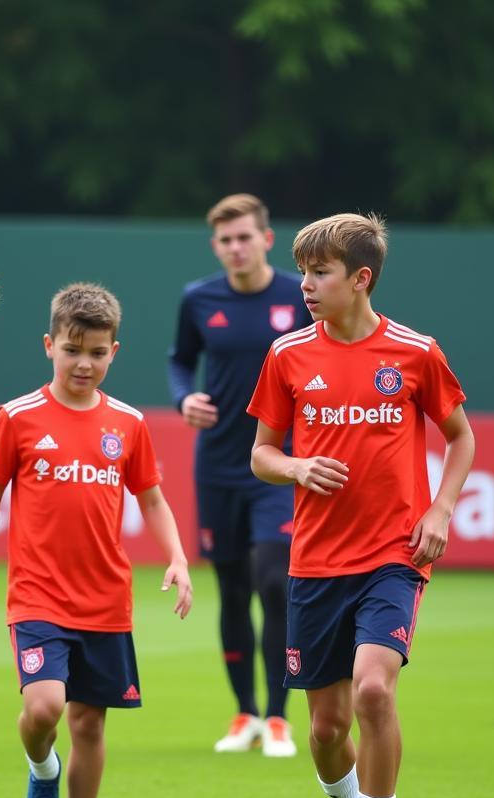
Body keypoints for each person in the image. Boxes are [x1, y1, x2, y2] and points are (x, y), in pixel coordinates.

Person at [247, 212, 475, 798]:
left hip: (393, 556)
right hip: (314, 563)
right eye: (304, 271)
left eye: (320, 272)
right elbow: (260, 453)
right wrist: (295, 466)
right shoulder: (287, 354)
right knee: (324, 729)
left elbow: (461, 437)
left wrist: (438, 512)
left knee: (376, 693)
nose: (306, 284)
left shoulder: (415, 352)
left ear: (361, 279)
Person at [0, 283, 193, 798]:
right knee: (44, 710)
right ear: (49, 346)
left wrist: (177, 558)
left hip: (106, 600)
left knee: (89, 721)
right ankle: (42, 768)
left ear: (115, 350)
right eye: (71, 350)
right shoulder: (17, 418)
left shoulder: (130, 424)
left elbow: (153, 500)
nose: (83, 363)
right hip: (37, 594)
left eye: (96, 351)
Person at [169, 193, 312, 757]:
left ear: (267, 239)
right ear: (216, 247)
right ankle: (244, 713)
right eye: (226, 240)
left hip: (277, 462)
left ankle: (279, 717)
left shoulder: (296, 297)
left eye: (245, 237)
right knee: (230, 591)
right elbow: (180, 359)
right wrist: (185, 399)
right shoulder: (198, 298)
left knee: (275, 582)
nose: (236, 248)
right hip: (218, 466)